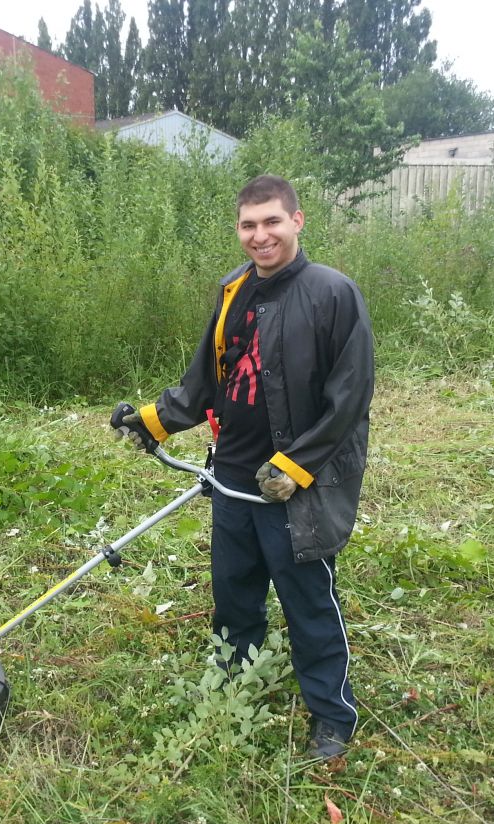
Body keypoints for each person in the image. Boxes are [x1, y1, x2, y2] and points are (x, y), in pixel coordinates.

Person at [113, 174, 374, 760]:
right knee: (234, 590)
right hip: (231, 472)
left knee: (307, 598)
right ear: (239, 230)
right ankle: (233, 682)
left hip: (291, 485)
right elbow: (207, 376)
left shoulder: (334, 293)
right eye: (249, 225)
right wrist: (154, 421)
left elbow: (351, 396)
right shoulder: (234, 289)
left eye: (272, 222)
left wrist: (297, 467)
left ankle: (332, 717)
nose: (261, 236)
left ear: (298, 221)